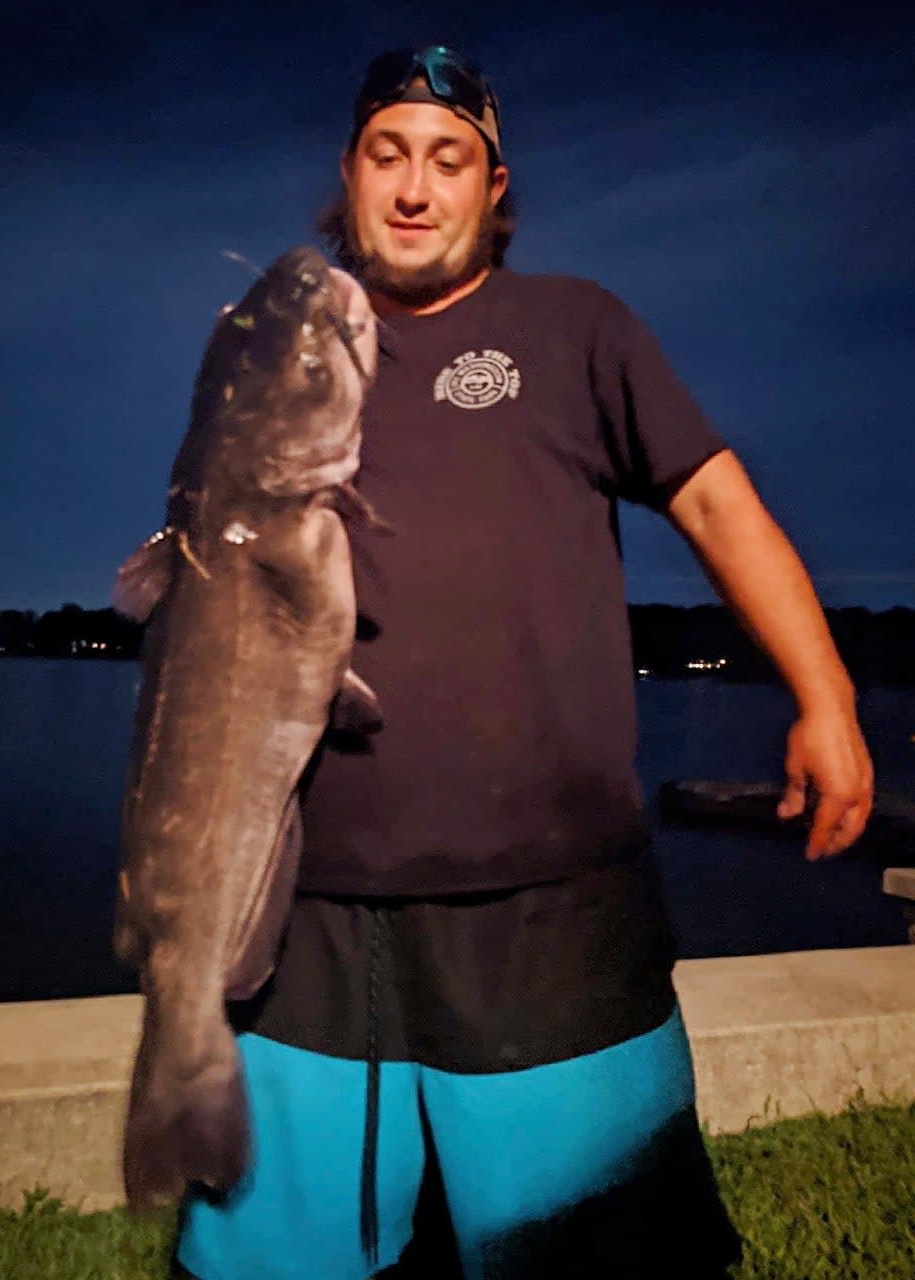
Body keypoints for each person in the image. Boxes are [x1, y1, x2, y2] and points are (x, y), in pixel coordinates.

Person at [172, 46, 874, 1280]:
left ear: (494, 189)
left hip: (554, 904)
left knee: (589, 1251)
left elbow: (716, 507)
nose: (411, 187)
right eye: (386, 154)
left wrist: (825, 695)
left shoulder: (574, 328)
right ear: (347, 176)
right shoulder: (286, 349)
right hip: (303, 909)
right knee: (274, 1257)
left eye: (447, 161)